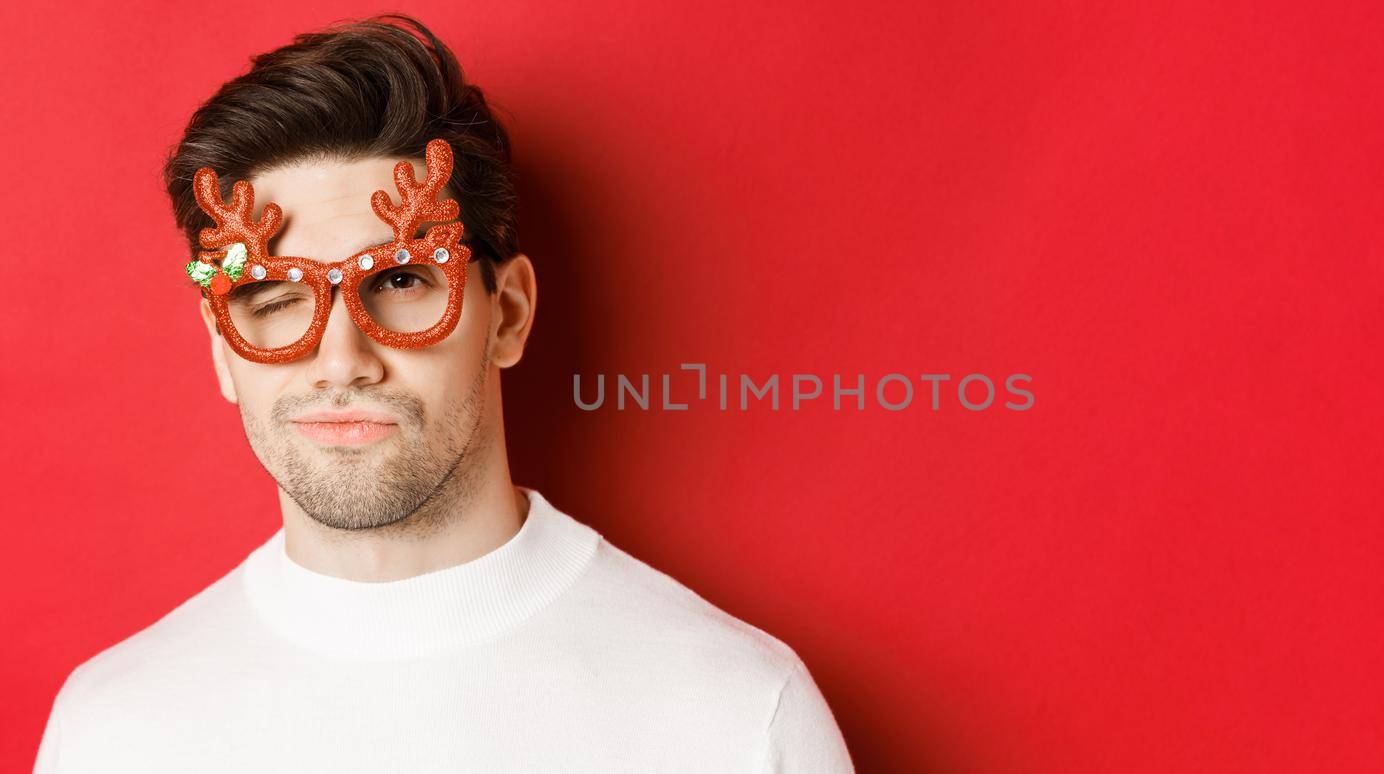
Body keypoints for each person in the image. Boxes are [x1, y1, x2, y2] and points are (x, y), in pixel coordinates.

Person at [33, 14, 853, 773]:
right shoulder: (114, 730)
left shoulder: (737, 716)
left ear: (511, 314)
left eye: (399, 280)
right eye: (275, 300)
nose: (340, 359)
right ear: (222, 351)